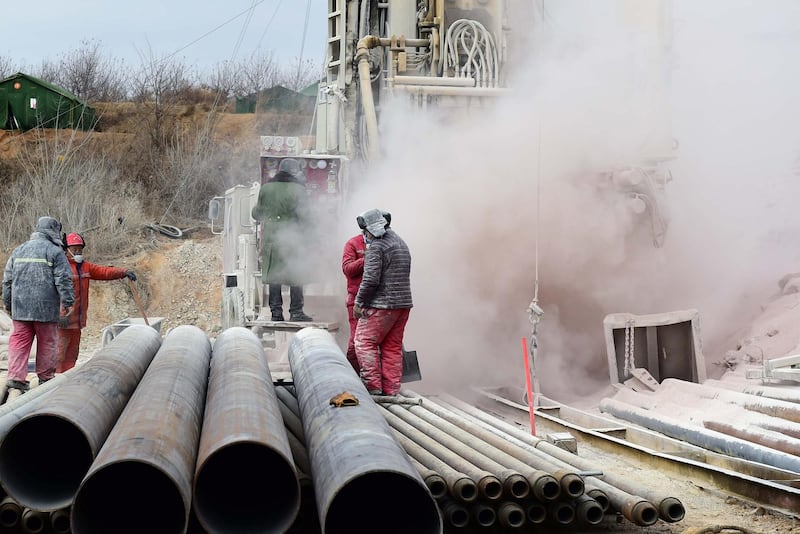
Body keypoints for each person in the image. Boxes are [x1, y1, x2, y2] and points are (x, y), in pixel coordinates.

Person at [2, 217, 75, 392]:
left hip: (20, 309)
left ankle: (16, 377)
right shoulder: (55, 252)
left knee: (19, 341)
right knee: (47, 342)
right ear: (54, 231)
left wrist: (8, 302)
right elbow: (63, 279)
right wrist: (68, 301)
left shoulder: (18, 250)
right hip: (46, 309)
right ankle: (45, 378)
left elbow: (7, 280)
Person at [56, 233, 137, 373]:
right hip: (62, 320)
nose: (78, 252)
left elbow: (104, 272)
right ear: (66, 249)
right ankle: (52, 383)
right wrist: (58, 315)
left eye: (80, 249)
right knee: (58, 354)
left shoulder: (85, 267)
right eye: (74, 249)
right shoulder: (60, 268)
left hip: (76, 321)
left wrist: (123, 272)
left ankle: (66, 379)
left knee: (72, 353)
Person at [353, 208, 412, 396]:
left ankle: (373, 387)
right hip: (403, 305)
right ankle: (391, 389)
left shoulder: (377, 247)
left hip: (382, 305)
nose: (364, 235)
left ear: (372, 229)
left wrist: (359, 302)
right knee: (392, 347)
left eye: (365, 231)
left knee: (364, 342)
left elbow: (370, 279)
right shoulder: (400, 243)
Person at [251, 157, 313, 322]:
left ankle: (276, 313)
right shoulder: (299, 190)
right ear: (294, 171)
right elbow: (306, 217)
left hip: (272, 239)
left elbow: (258, 214)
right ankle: (296, 312)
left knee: (274, 277)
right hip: (293, 239)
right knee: (296, 273)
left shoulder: (266, 188)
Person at [341, 210, 391, 373]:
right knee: (357, 340)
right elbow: (348, 270)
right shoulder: (353, 244)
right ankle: (353, 374)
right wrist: (367, 258)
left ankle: (376, 377)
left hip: (379, 299)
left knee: (381, 340)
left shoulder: (385, 243)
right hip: (356, 299)